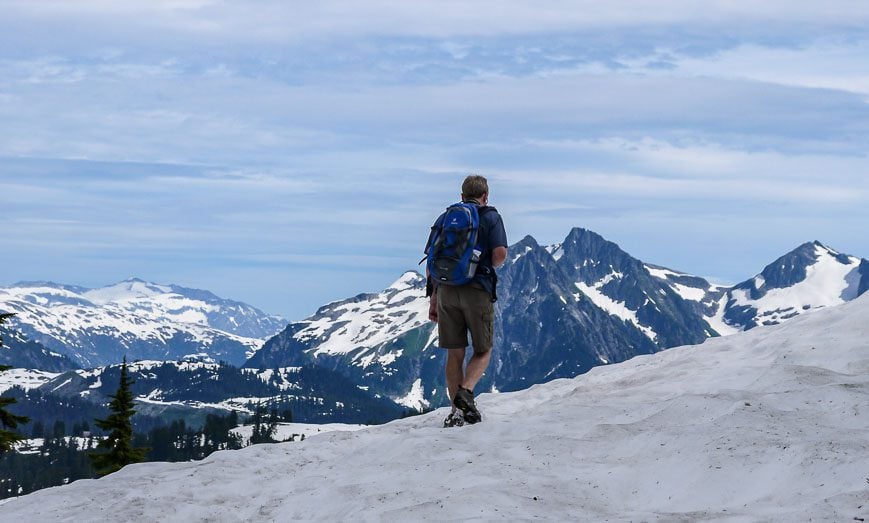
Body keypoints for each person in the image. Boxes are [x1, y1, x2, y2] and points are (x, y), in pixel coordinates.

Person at [425, 175, 508, 427]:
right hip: (476, 290)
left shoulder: (445, 218)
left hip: (446, 291)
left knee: (455, 353)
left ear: (462, 196)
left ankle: (457, 413)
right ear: (486, 196)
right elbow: (500, 254)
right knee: (483, 349)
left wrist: (433, 298)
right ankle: (466, 392)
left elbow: (431, 261)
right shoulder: (491, 217)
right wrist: (484, 266)